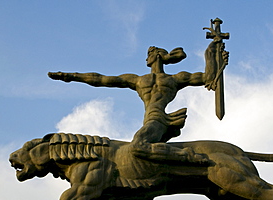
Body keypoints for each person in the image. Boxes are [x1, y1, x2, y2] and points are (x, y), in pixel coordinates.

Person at [48, 39, 228, 164]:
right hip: (151, 119)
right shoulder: (139, 80)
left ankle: (189, 157)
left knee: (137, 146)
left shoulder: (174, 79)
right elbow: (101, 79)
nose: (146, 58)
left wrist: (211, 53)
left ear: (156, 56)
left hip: (159, 119)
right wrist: (71, 76)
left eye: (149, 54)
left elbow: (208, 78)